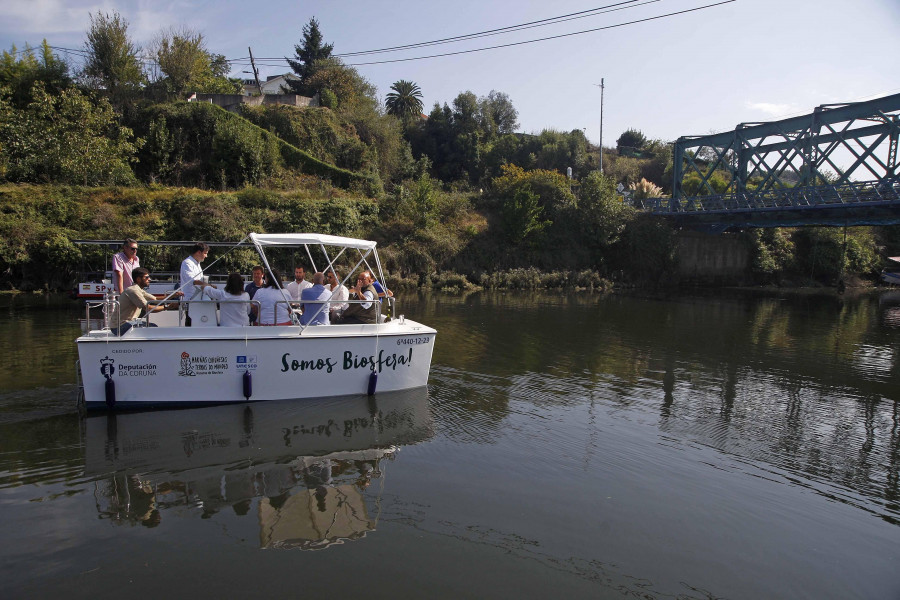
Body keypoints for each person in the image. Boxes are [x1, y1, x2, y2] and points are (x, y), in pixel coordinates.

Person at [111, 267, 183, 335]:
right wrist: (167, 307)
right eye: (147, 277)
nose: (149, 279)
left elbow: (155, 299)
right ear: (138, 279)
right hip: (119, 327)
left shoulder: (139, 289)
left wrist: (173, 295)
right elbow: (148, 308)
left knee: (153, 326)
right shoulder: (133, 291)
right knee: (153, 328)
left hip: (128, 323)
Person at [179, 242, 210, 327]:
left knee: (198, 323)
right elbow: (193, 280)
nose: (206, 256)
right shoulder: (187, 263)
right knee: (190, 323)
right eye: (205, 253)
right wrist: (208, 286)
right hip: (190, 300)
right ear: (199, 252)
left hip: (198, 300)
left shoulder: (197, 264)